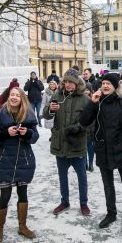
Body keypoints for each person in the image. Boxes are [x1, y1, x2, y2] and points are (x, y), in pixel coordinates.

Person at [79, 73, 122, 237]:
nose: (105, 86)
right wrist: (92, 103)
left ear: (116, 86)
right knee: (108, 186)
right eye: (103, 83)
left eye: (109, 83)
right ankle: (111, 213)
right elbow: (84, 121)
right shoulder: (97, 103)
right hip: (103, 151)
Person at [0, 87, 39, 243]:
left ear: (22, 98)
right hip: (4, 160)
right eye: (12, 95)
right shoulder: (0, 114)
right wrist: (5, 134)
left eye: (17, 95)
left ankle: (22, 226)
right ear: (8, 97)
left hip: (24, 159)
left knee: (23, 194)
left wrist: (28, 133)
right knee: (5, 195)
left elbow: (35, 136)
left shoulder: (29, 114)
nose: (14, 97)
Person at [42, 68, 90, 216]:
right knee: (62, 176)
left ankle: (83, 203)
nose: (68, 85)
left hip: (77, 144)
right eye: (66, 82)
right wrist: (50, 109)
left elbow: (89, 121)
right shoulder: (57, 94)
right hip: (60, 143)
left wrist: (78, 128)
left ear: (77, 84)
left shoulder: (84, 99)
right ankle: (65, 201)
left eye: (71, 82)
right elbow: (46, 115)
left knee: (82, 177)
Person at [83, 84, 96, 172]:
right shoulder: (80, 100)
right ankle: (85, 164)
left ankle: (90, 163)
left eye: (88, 90)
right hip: (83, 126)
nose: (86, 92)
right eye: (85, 90)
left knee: (90, 146)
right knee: (84, 146)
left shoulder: (94, 99)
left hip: (92, 126)